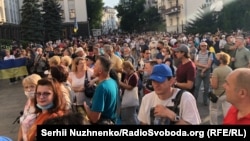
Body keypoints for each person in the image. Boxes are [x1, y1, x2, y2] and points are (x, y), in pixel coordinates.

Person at [83, 56, 118, 124]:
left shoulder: (102, 87)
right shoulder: (113, 82)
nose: (93, 68)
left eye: (95, 66)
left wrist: (87, 109)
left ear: (100, 71)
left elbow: (94, 118)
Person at [209, 52, 232, 125]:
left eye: (217, 58)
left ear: (221, 60)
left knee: (213, 110)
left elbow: (214, 86)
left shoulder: (216, 70)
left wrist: (210, 80)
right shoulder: (230, 69)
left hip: (217, 94)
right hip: (227, 94)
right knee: (227, 111)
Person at [17, 74, 41, 141]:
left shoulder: (42, 106)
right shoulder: (28, 102)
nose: (29, 89)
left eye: (32, 86)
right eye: (26, 87)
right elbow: (22, 125)